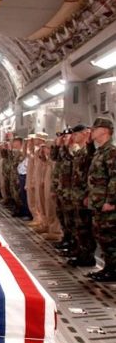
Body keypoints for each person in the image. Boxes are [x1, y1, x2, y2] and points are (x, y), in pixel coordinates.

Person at [86, 117, 116, 281]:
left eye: (95, 129)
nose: (92, 132)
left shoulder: (111, 151)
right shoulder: (100, 151)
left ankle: (113, 269)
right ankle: (109, 267)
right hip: (98, 201)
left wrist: (111, 201)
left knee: (109, 237)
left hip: (107, 204)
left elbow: (114, 178)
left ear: (104, 130)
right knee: (102, 236)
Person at [68, 124, 96, 267]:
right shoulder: (79, 152)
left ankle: (87, 256)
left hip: (84, 194)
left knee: (85, 227)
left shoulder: (89, 151)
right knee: (78, 226)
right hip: (76, 194)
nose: (73, 137)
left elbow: (90, 175)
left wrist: (87, 194)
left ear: (85, 133)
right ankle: (80, 252)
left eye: (76, 134)